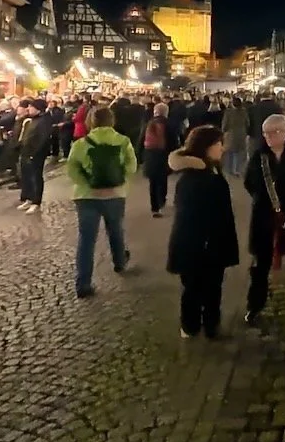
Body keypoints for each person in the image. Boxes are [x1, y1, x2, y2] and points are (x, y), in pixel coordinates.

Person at [167, 126, 239, 338]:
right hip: (200, 245)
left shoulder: (209, 171)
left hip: (209, 242)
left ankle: (209, 324)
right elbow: (190, 216)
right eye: (218, 144)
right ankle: (193, 326)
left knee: (211, 286)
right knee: (196, 287)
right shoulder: (197, 177)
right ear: (206, 147)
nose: (222, 148)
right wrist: (206, 241)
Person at [66, 106, 138, 298]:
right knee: (116, 230)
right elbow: (131, 166)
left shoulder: (81, 143)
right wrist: (118, 181)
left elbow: (72, 169)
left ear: (91, 121)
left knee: (86, 240)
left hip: (86, 196)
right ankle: (120, 262)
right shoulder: (123, 141)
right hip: (115, 195)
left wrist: (89, 184)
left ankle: (83, 284)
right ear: (111, 120)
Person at [244, 114, 285, 323]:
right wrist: (265, 199)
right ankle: (255, 304)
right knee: (260, 264)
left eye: (274, 132)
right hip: (264, 214)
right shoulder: (259, 156)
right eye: (265, 133)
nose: (269, 137)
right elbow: (249, 182)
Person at [16, 100, 52, 213]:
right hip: (26, 153)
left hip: (35, 155)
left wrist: (34, 153)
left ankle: (36, 201)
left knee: (35, 177)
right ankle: (29, 198)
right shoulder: (32, 119)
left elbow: (42, 139)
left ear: (38, 109)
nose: (28, 109)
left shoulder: (43, 121)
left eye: (31, 107)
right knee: (26, 177)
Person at [142, 103, 172, 217]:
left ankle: (154, 206)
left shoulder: (148, 124)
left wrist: (140, 156)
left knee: (153, 182)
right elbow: (174, 141)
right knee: (162, 180)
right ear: (166, 113)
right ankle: (161, 201)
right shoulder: (169, 124)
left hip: (150, 155)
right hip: (164, 156)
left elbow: (141, 140)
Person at [221, 97, 250, 177]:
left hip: (231, 134)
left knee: (230, 152)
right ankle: (237, 170)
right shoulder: (244, 111)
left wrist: (223, 131)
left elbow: (224, 125)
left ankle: (230, 170)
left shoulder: (228, 112)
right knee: (239, 153)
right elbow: (248, 123)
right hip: (241, 134)